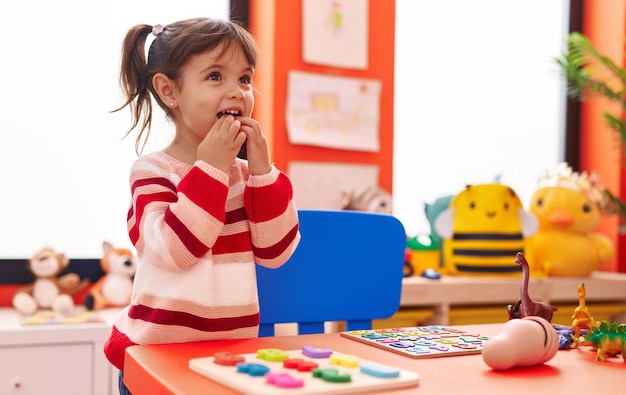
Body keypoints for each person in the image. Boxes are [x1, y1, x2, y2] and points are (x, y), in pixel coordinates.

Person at [103, 17, 301, 394]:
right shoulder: (152, 172)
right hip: (156, 360)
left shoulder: (246, 176)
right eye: (215, 76)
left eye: (244, 79)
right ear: (169, 91)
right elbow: (177, 251)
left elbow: (276, 252)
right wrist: (211, 168)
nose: (237, 92)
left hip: (228, 359)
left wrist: (262, 171)